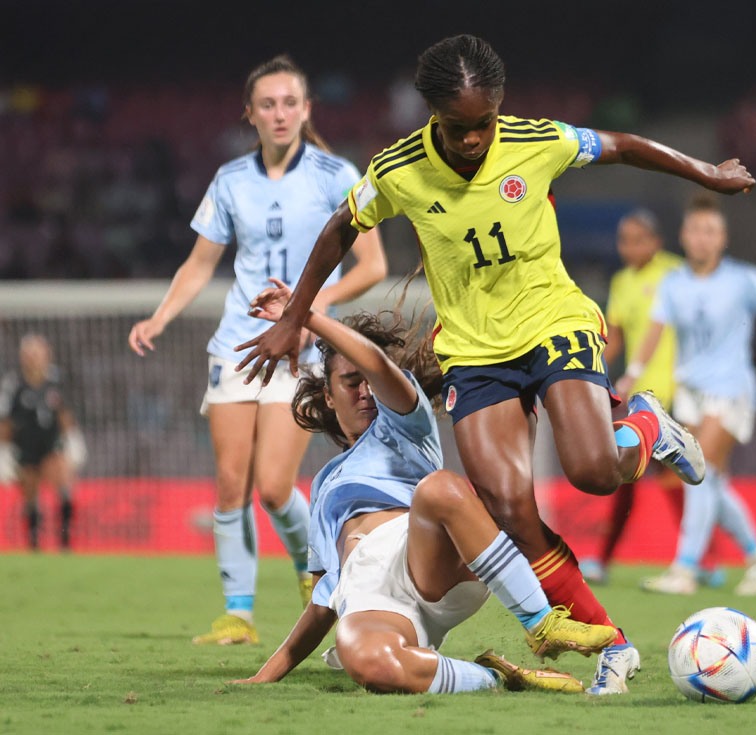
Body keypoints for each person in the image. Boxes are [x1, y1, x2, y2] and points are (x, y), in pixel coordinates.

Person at [235, 34, 753, 694]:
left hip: (552, 321)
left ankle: (647, 425)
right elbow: (342, 223)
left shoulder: (536, 141)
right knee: (509, 509)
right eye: (459, 127)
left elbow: (620, 144)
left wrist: (706, 172)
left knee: (595, 471)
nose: (474, 138)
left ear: (499, 108)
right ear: (432, 114)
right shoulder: (398, 168)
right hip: (475, 351)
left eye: (484, 123)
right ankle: (612, 647)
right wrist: (293, 313)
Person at [231, 279, 616, 694]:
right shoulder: (324, 483)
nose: (365, 392)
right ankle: (497, 678)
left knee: (438, 490)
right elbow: (324, 598)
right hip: (369, 596)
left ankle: (539, 622)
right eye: (349, 383)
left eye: (368, 381)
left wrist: (304, 316)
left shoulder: (404, 424)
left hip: (427, 557)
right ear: (328, 396)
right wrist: (267, 673)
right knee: (369, 665)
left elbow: (379, 367)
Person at [126, 55, 388, 645]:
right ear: (250, 113)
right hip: (235, 348)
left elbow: (373, 265)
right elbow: (199, 265)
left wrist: (303, 310)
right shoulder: (230, 181)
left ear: (306, 109)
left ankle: (308, 568)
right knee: (228, 485)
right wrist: (160, 317)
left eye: (290, 102)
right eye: (267, 104)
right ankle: (238, 615)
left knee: (273, 487)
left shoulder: (337, 174)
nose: (279, 113)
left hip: (299, 348)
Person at [617, 194, 756, 596]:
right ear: (684, 236)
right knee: (711, 480)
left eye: (711, 231)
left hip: (732, 389)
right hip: (690, 392)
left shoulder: (746, 279)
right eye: (696, 231)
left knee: (699, 477)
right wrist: (629, 376)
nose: (703, 239)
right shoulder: (672, 283)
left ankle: (684, 569)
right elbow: (653, 334)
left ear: (723, 238)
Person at [580, 209, 726, 588]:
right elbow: (615, 338)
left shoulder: (676, 273)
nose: (629, 247)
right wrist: (587, 374)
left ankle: (700, 560)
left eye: (637, 239)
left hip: (678, 391)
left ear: (656, 242)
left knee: (682, 475)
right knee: (625, 474)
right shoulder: (622, 282)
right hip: (638, 395)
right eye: (623, 240)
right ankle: (604, 559)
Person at [0, 335, 78, 551]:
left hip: (51, 444)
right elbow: (5, 421)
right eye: (29, 353)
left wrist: (74, 441)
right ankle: (34, 543)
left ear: (47, 354)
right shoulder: (13, 384)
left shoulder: (57, 381)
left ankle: (65, 540)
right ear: (22, 356)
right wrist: (3, 451)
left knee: (63, 482)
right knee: (30, 493)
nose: (33, 358)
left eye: (37, 352)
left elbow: (65, 414)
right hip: (24, 447)